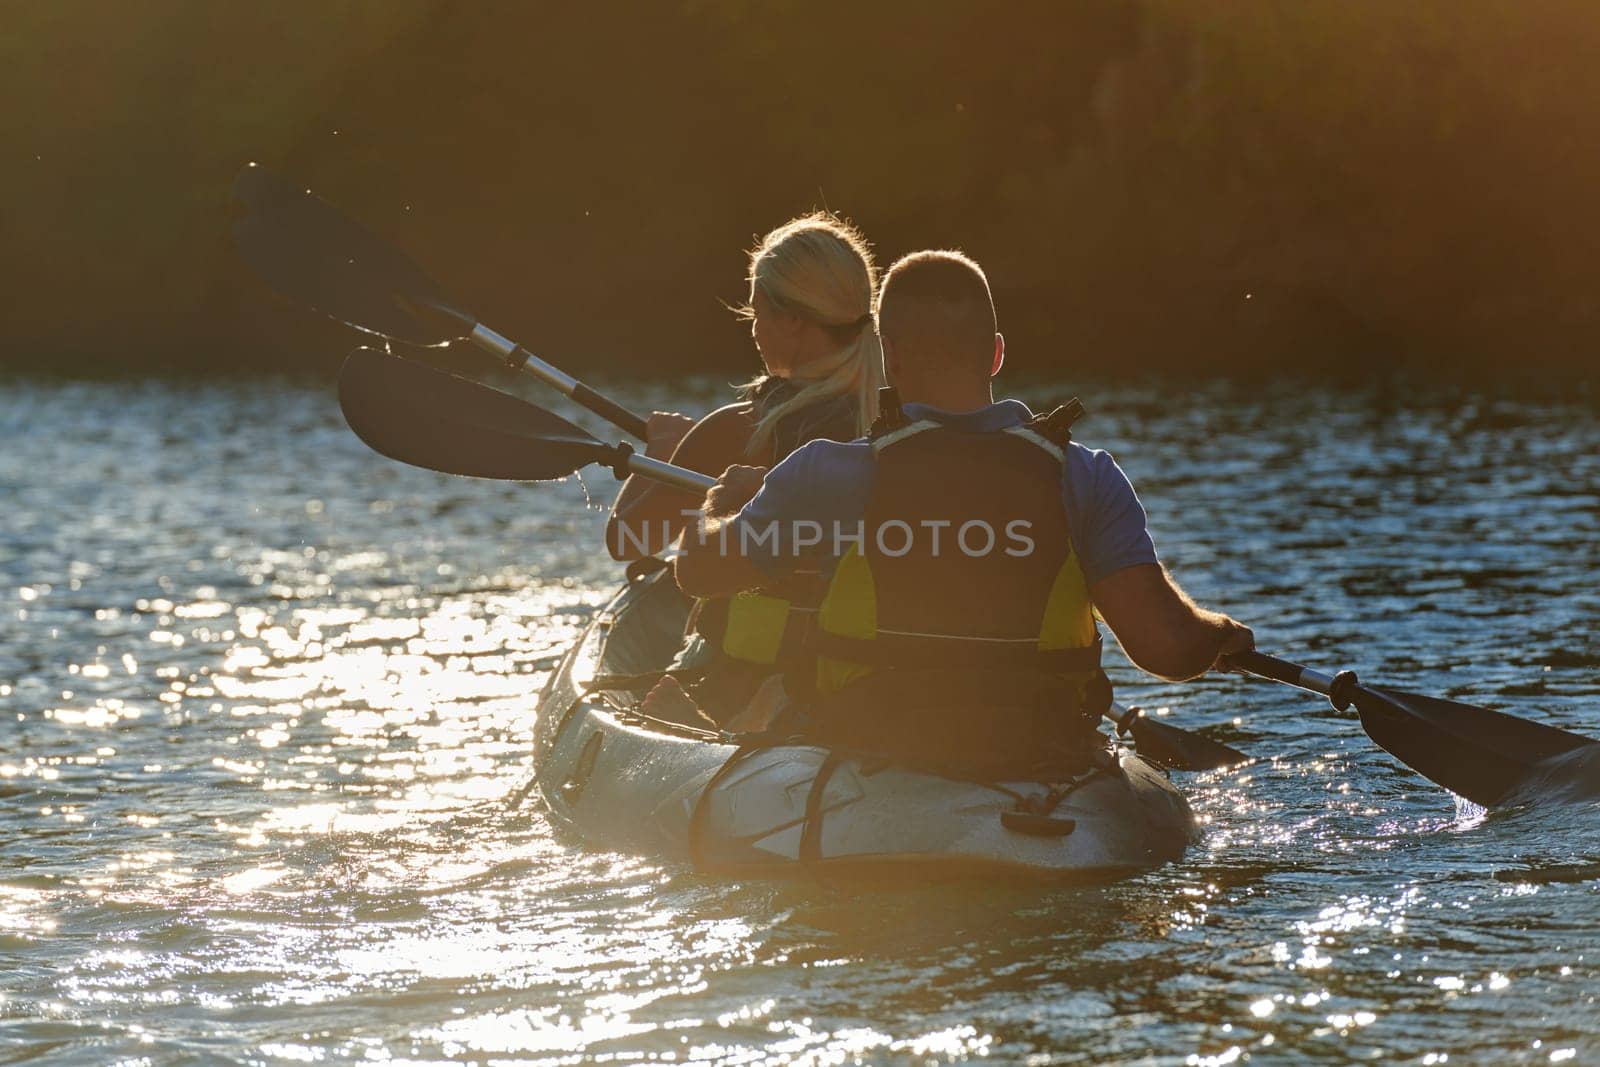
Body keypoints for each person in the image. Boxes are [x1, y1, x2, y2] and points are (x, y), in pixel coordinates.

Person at [672, 249, 1254, 773]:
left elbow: (698, 571)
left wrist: (719, 505)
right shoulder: (1086, 476)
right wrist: (1220, 634)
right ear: (996, 354)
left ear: (889, 356)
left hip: (868, 754)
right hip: (1043, 759)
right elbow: (1169, 649)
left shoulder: (826, 473)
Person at [609, 213, 884, 726]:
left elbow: (628, 538)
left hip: (745, 675)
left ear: (794, 321)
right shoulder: (901, 425)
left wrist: (661, 455)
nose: (754, 331)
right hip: (856, 675)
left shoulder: (741, 429)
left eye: (758, 313)